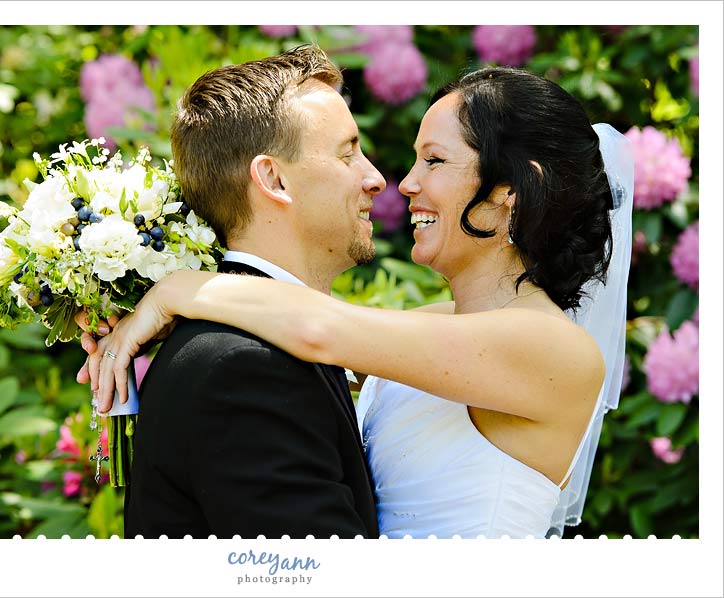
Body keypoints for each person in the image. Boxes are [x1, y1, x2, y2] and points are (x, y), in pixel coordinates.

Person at [87, 67, 634, 539]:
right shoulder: (444, 325)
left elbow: (319, 331)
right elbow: (299, 345)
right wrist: (142, 315)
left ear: (509, 190)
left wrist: (179, 288)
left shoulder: (552, 347)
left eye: (434, 161)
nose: (403, 184)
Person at [80, 46, 385, 539]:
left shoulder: (253, 347)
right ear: (273, 178)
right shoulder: (246, 368)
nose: (375, 178)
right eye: (347, 152)